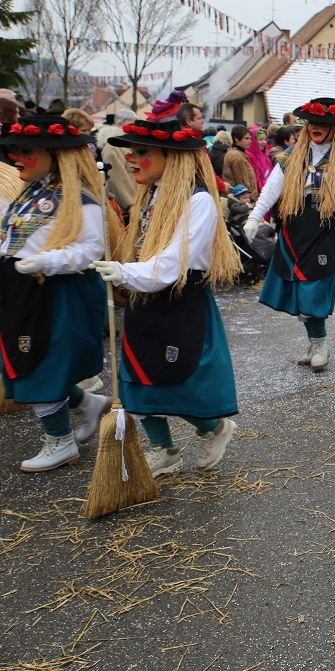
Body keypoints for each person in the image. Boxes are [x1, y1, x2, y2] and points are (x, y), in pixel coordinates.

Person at [92, 118, 241, 476]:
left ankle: (214, 428)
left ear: (171, 156)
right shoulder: (151, 194)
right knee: (136, 381)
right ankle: (164, 451)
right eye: (130, 151)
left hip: (181, 300)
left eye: (142, 151)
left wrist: (127, 272)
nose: (131, 158)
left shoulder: (200, 200)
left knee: (180, 382)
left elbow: (176, 262)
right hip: (146, 296)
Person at [1, 115, 110, 472]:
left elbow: (92, 248)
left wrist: (45, 262)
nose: (16, 158)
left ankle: (60, 442)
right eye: (15, 151)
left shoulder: (81, 198)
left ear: (53, 154)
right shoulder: (29, 192)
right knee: (19, 362)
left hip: (52, 291)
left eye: (25, 151)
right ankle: (86, 403)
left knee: (40, 364)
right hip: (20, 287)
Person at [243, 98, 335, 372]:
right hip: (296, 225)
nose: (317, 127)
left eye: (324, 123)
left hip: (326, 228)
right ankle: (314, 342)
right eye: (313, 122)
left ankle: (320, 344)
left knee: (313, 289)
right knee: (297, 290)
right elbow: (272, 189)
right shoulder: (292, 154)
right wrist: (253, 216)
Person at [96, 109, 138, 213]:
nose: (134, 128)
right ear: (119, 124)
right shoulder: (113, 147)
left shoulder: (126, 145)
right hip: (125, 208)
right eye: (131, 124)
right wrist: (130, 205)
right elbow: (116, 178)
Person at [223, 125, 258, 193]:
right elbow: (243, 182)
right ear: (236, 139)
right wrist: (251, 197)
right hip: (241, 198)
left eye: (250, 138)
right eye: (246, 138)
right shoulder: (237, 156)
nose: (250, 141)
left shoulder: (236, 154)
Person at [246, 126, 273, 191]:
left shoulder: (266, 157)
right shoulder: (248, 156)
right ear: (253, 140)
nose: (264, 142)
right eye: (260, 139)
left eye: (265, 139)